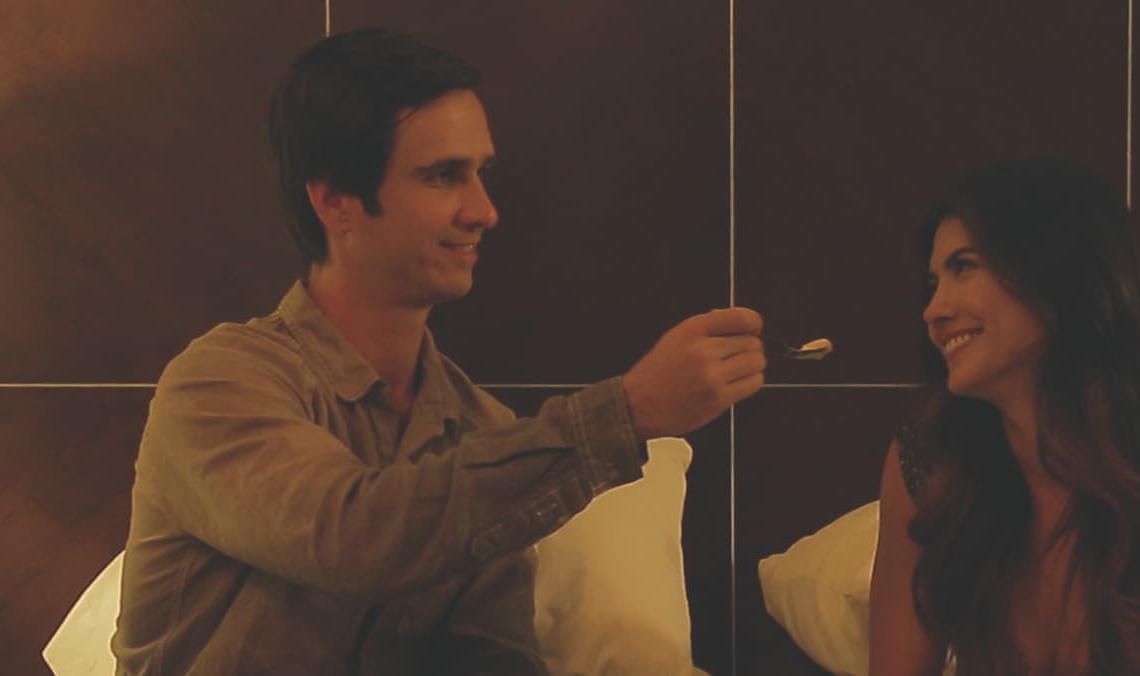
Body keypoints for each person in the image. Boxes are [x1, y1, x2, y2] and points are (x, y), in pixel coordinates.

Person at [112, 29, 765, 675]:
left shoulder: (479, 433)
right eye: (444, 176)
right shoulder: (219, 383)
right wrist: (627, 412)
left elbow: (489, 656)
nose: (484, 210)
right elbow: (352, 537)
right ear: (335, 202)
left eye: (481, 173)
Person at [868, 158, 1140, 676]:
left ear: (1055, 274)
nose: (934, 309)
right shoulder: (932, 462)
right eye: (933, 282)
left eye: (964, 267)